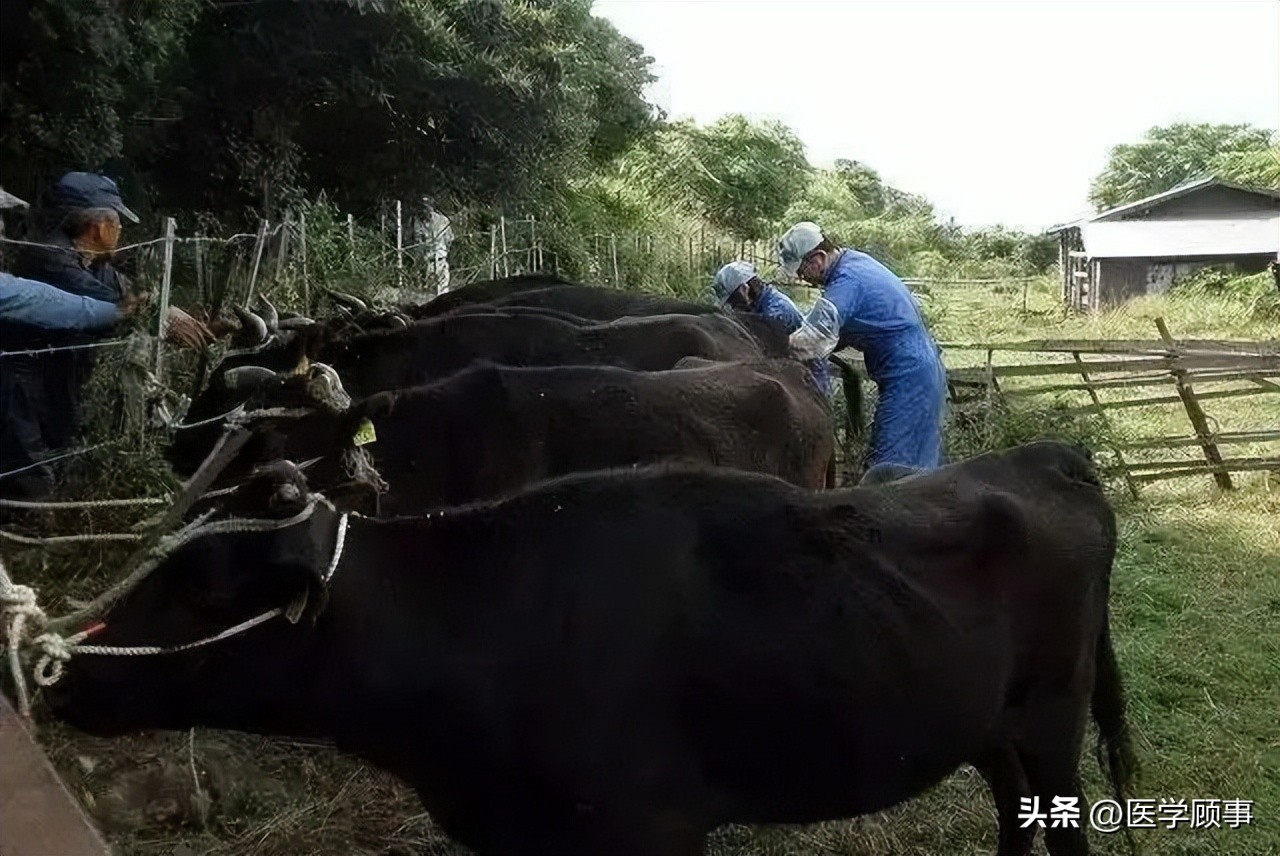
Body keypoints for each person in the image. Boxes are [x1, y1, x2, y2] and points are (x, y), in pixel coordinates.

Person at [0, 173, 210, 500]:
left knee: (59, 461)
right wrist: (157, 315)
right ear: (99, 227)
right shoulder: (50, 259)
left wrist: (179, 317)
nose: (121, 229)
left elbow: (129, 295)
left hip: (58, 377)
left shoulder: (93, 262)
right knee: (30, 481)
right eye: (117, 221)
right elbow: (114, 305)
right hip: (21, 383)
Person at [777, 221, 948, 471]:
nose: (802, 279)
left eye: (802, 271)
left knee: (890, 468)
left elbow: (813, 340)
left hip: (909, 375)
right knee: (919, 462)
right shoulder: (855, 262)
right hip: (920, 368)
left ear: (818, 258)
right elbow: (840, 332)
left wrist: (772, 348)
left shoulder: (847, 281)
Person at [711, 260, 833, 396]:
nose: (733, 307)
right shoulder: (757, 304)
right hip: (790, 367)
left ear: (744, 289)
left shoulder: (778, 311)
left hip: (809, 372)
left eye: (734, 300)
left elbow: (764, 351)